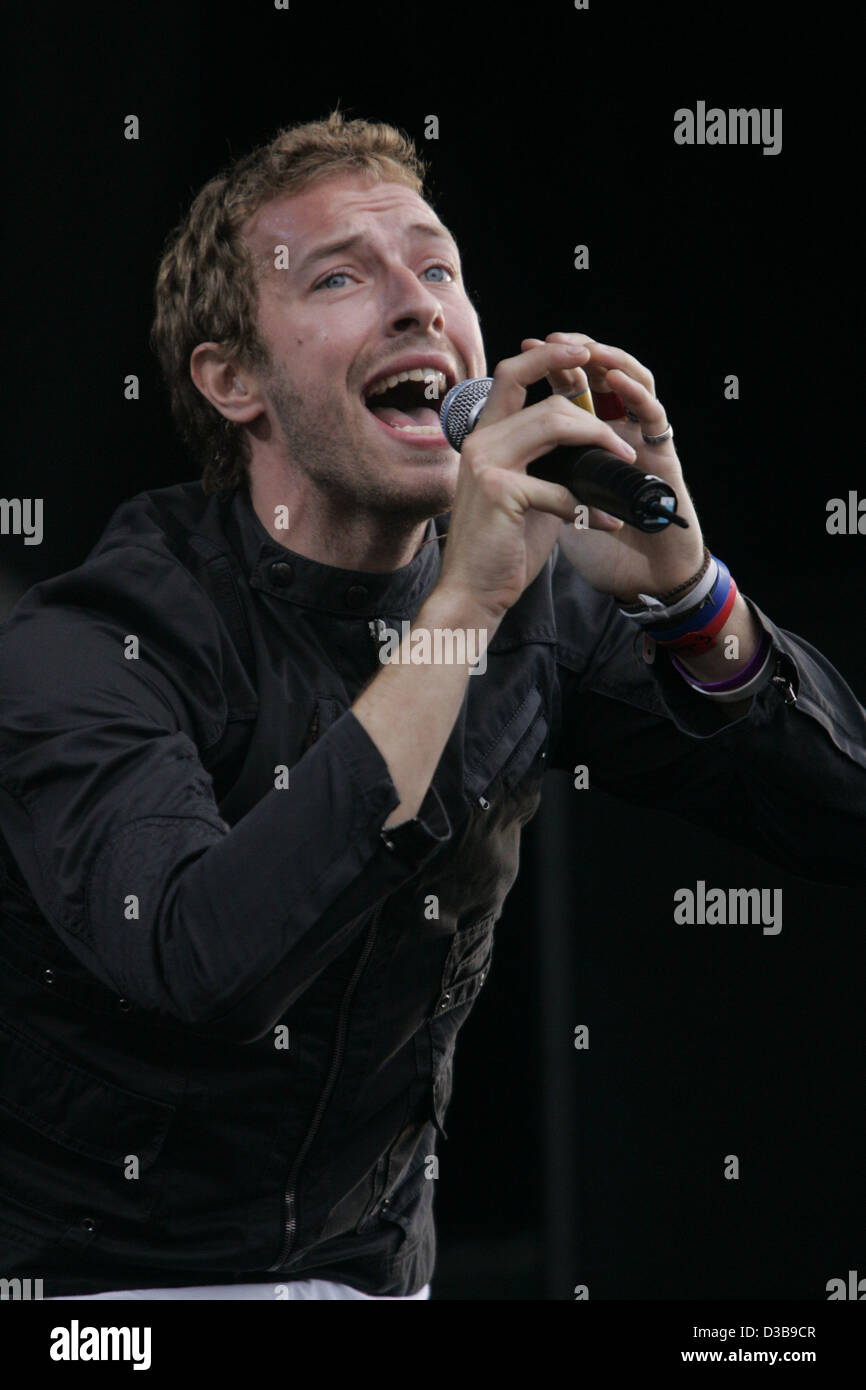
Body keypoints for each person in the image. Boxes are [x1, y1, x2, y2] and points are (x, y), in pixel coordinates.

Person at [0, 111, 863, 1302]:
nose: (417, 304)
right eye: (342, 275)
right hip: (106, 1295)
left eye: (437, 266)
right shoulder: (90, 644)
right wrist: (463, 606)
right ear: (232, 378)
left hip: (378, 1275)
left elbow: (838, 819)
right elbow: (209, 964)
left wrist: (688, 598)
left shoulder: (532, 602)